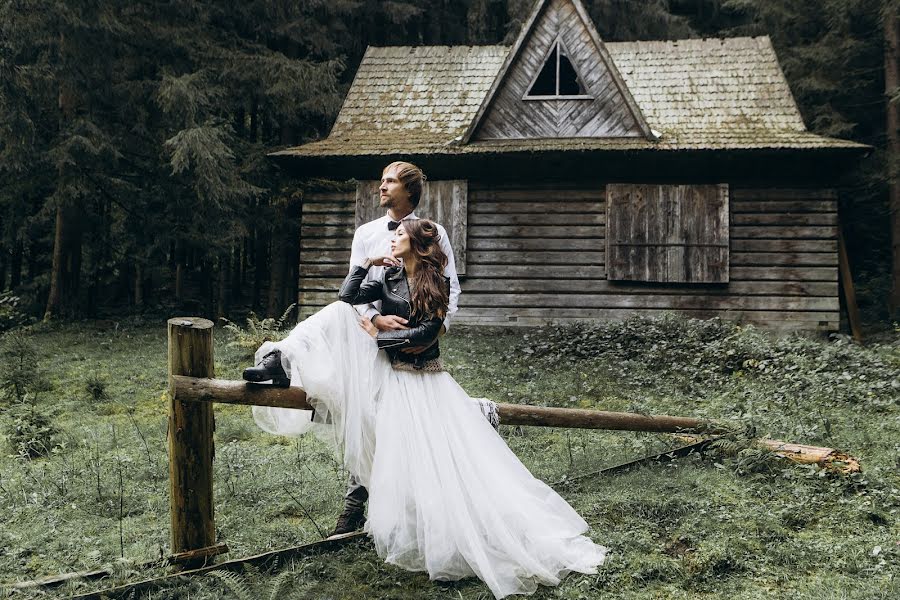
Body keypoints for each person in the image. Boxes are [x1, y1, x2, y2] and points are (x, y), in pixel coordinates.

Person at [250, 218, 607, 599]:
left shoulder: (437, 281)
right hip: (389, 370)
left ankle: (451, 531)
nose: (393, 240)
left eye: (399, 236)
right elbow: (347, 296)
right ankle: (281, 357)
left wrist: (378, 335)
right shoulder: (386, 277)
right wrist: (368, 265)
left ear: (417, 245)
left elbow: (424, 335)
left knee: (434, 461)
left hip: (420, 379)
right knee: (339, 316)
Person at [245, 161, 463, 537]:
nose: (381, 187)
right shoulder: (366, 234)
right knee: (338, 329)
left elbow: (450, 287)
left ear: (409, 191)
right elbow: (352, 296)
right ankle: (281, 358)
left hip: (408, 343)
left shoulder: (432, 232)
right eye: (381, 180)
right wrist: (376, 321)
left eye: (389, 181)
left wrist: (428, 333)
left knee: (384, 420)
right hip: (367, 332)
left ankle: (365, 507)